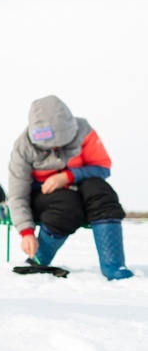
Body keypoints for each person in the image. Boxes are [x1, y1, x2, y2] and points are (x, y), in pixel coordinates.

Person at [7, 95, 133, 280]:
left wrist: (68, 176)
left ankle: (114, 266)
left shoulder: (84, 130)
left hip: (82, 188)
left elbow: (103, 167)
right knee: (67, 203)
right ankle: (39, 260)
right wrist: (26, 231)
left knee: (102, 192)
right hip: (45, 198)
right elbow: (17, 194)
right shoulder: (22, 147)